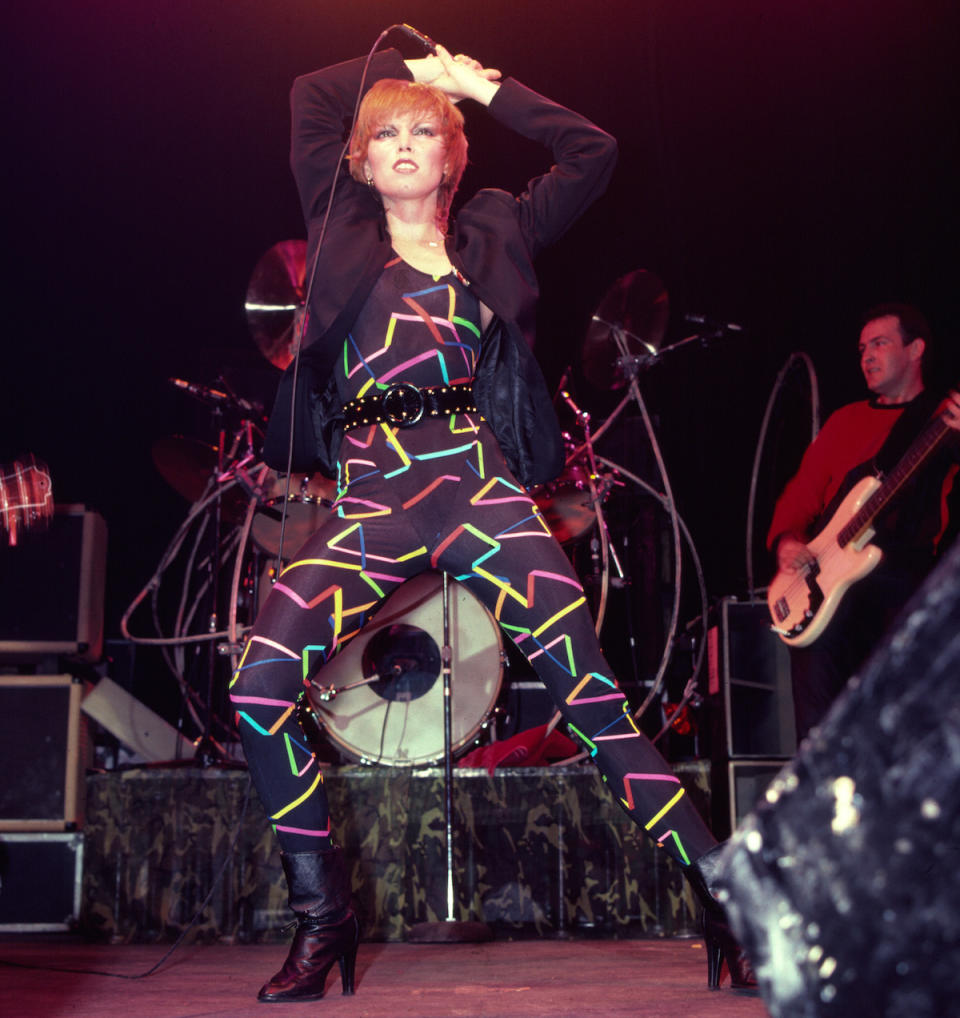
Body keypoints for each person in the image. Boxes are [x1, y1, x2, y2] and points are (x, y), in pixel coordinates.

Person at [229, 40, 749, 1003]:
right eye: (383, 133)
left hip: (480, 489)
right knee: (258, 691)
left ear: (451, 153)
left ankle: (727, 901)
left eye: (422, 129)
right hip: (373, 504)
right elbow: (310, 92)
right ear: (359, 159)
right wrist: (397, 56)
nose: (402, 144)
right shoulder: (340, 224)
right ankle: (323, 919)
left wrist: (479, 86)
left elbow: (593, 151)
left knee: (594, 707)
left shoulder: (498, 228)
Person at [767, 303, 960, 741]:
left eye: (880, 344)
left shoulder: (943, 419)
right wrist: (787, 543)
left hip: (905, 582)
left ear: (915, 350)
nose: (866, 356)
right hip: (828, 584)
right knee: (818, 721)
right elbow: (800, 496)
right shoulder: (844, 421)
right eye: (861, 349)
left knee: (900, 722)